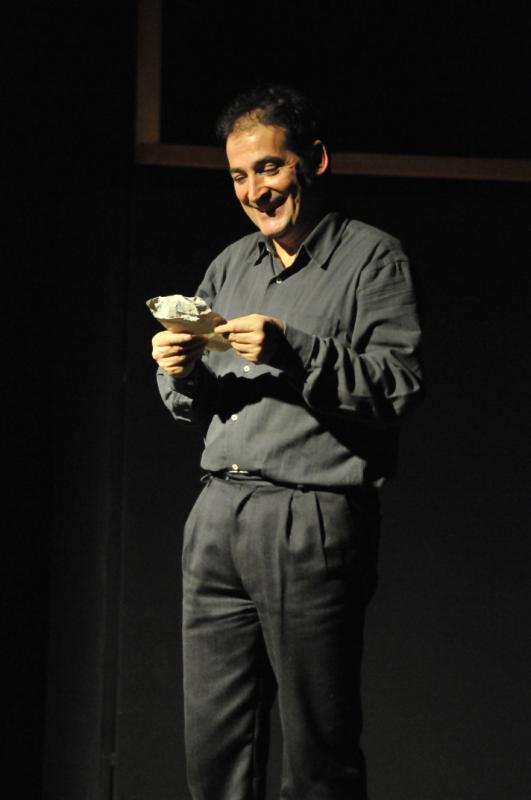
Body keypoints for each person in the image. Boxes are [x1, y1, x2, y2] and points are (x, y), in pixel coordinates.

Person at [151, 85, 423, 800]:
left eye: (269, 168)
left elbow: (398, 387)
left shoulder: (371, 259)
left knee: (317, 752)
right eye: (239, 176)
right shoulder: (231, 264)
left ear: (315, 160)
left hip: (310, 515)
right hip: (218, 513)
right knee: (214, 752)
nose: (255, 191)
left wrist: (293, 348)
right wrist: (178, 372)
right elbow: (195, 398)